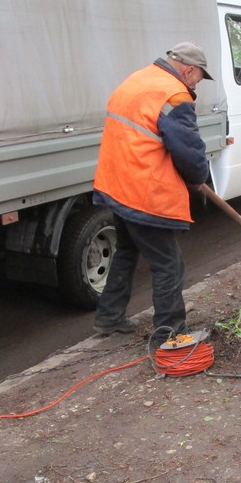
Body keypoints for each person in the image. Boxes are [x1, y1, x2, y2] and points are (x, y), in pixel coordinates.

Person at [91, 41, 213, 341]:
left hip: (115, 184)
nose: (198, 83)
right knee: (169, 265)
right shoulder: (173, 95)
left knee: (127, 251)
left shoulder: (138, 79)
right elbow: (188, 150)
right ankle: (170, 333)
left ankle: (108, 317)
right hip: (141, 191)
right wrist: (200, 178)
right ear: (188, 69)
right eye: (199, 77)